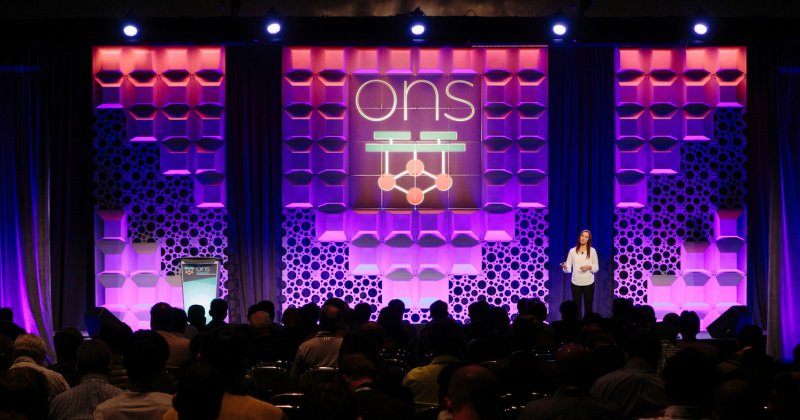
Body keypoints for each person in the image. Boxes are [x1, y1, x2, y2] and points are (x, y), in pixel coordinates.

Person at [561, 229, 599, 317]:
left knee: (588, 307)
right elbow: (568, 268)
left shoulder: (592, 251)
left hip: (589, 282)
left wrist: (589, 267)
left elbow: (596, 267)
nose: (583, 238)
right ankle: (577, 323)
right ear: (579, 237)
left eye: (586, 237)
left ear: (588, 239)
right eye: (582, 236)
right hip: (576, 283)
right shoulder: (572, 251)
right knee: (576, 308)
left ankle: (587, 323)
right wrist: (565, 267)